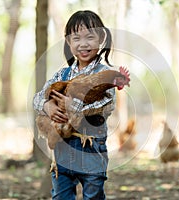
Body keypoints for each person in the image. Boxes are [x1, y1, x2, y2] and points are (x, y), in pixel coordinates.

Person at [33, 10, 115, 199]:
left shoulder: (106, 75)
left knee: (93, 196)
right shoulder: (61, 75)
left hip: (92, 150)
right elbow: (37, 98)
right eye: (76, 38)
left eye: (90, 37)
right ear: (68, 42)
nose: (83, 43)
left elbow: (106, 104)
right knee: (61, 196)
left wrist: (73, 106)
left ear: (101, 39)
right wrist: (48, 107)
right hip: (62, 149)